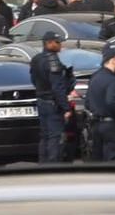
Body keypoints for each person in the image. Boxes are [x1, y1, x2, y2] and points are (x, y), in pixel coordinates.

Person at [30, 31, 72, 163]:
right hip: (52, 104)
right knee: (55, 137)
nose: (60, 45)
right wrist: (66, 108)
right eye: (57, 42)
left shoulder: (36, 59)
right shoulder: (52, 60)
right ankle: (52, 166)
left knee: (44, 136)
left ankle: (43, 164)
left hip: (41, 101)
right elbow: (57, 87)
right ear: (48, 43)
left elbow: (34, 80)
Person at [85, 45, 115, 161]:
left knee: (97, 159)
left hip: (96, 124)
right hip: (111, 125)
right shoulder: (114, 80)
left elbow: (87, 102)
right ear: (112, 60)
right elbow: (112, 101)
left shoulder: (95, 77)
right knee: (114, 158)